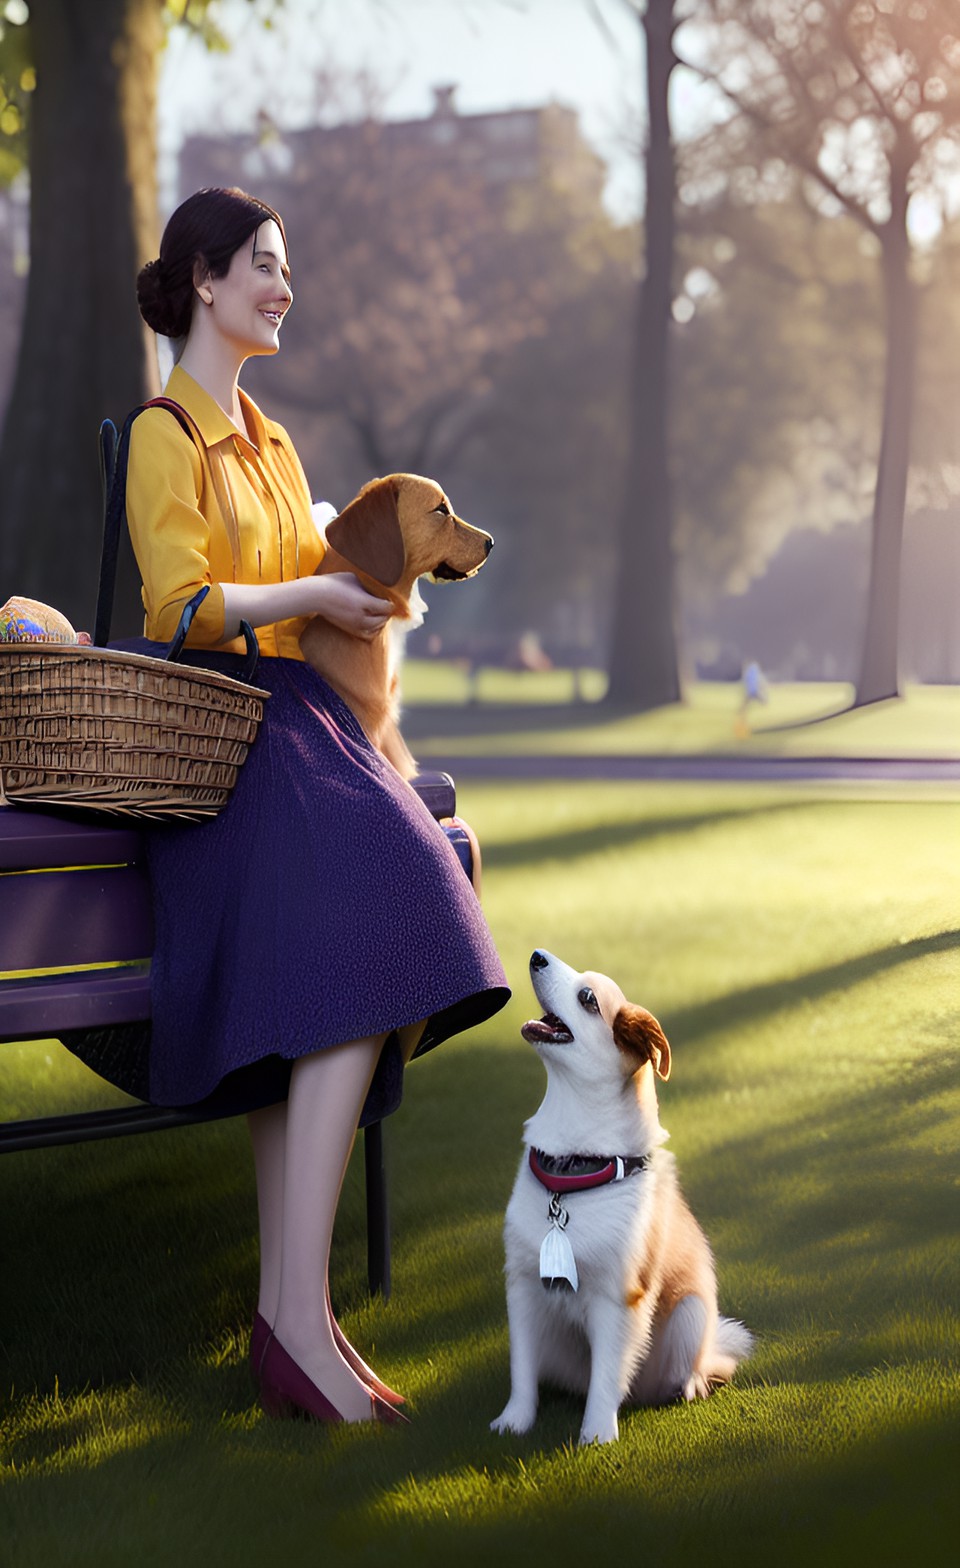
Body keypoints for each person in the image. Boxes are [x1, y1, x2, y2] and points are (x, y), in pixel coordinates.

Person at [114, 187, 509, 1425]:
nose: (283, 288)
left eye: (285, 269)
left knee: (406, 897)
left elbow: (320, 591)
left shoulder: (278, 445)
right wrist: (314, 600)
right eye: (265, 269)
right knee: (379, 909)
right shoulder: (162, 434)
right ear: (206, 280)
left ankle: (301, 1311)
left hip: (302, 727)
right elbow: (179, 609)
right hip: (222, 739)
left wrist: (348, 598)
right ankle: (293, 1319)